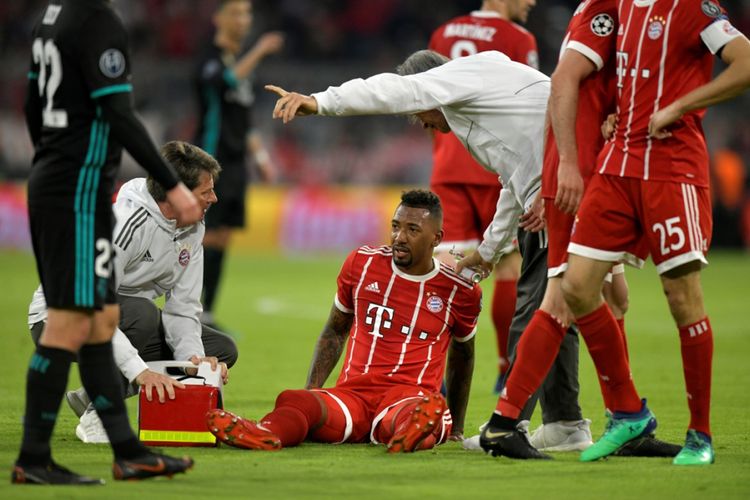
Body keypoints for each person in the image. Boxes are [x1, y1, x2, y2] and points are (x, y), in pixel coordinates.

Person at [266, 47, 590, 459]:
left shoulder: (458, 79)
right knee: (563, 306)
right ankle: (565, 423)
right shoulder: (483, 95)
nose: (424, 125)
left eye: (420, 113)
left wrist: (320, 102)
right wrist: (489, 251)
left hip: (559, 191)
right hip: (557, 187)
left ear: (430, 89)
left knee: (535, 313)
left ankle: (509, 425)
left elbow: (388, 91)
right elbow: (513, 178)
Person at [488, 0, 750, 465]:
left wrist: (671, 107)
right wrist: (568, 161)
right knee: (570, 290)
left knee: (654, 297)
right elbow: (569, 81)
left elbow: (738, 61)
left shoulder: (679, 8)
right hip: (603, 168)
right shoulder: (614, 8)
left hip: (650, 167)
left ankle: (681, 431)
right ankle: (608, 415)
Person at [478, 0, 679, 459]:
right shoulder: (605, 11)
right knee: (562, 299)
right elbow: (564, 81)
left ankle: (624, 419)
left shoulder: (628, 13)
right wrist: (567, 163)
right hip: (583, 176)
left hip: (606, 170)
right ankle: (507, 423)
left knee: (605, 296)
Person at [16, 0, 200, 485]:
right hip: (75, 187)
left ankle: (128, 452)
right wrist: (172, 183)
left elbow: (32, 101)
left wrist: (51, 159)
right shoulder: (97, 19)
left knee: (99, 320)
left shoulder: (50, 19)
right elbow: (118, 111)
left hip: (66, 180)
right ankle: (33, 458)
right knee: (70, 323)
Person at [206, 190, 480, 452]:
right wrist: (313, 394)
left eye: (412, 229)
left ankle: (411, 434)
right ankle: (265, 432)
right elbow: (335, 331)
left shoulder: (461, 291)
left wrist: (456, 426)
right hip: (354, 396)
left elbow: (463, 356)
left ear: (437, 238)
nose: (399, 237)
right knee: (296, 400)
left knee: (419, 414)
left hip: (408, 396)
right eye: (395, 226)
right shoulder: (362, 264)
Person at [27, 141, 238, 444]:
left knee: (219, 349)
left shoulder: (193, 227)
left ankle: (91, 393)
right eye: (206, 192)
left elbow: (184, 307)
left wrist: (192, 363)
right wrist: (139, 373)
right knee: (142, 314)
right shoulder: (125, 224)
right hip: (60, 318)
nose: (214, 198)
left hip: (123, 319)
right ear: (176, 193)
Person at [428, 0, 537, 393]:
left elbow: (429, 95)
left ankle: (430, 372)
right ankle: (508, 368)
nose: (531, 3)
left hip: (449, 165)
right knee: (509, 266)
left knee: (442, 267)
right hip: (495, 163)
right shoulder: (518, 38)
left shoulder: (445, 31)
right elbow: (533, 102)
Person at [194, 0, 284, 327]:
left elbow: (245, 122)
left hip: (235, 163)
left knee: (223, 236)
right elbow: (226, 82)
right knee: (204, 235)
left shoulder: (240, 65)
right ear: (218, 18)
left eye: (246, 13)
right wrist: (260, 49)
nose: (243, 19)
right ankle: (188, 310)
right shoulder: (209, 58)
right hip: (209, 158)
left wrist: (260, 157)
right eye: (236, 12)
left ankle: (208, 312)